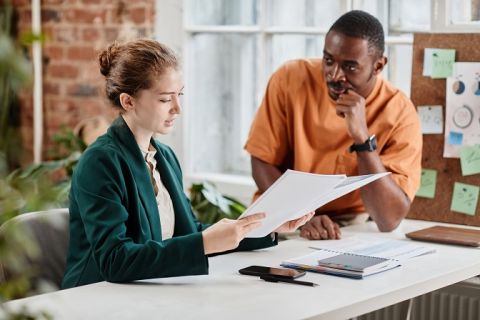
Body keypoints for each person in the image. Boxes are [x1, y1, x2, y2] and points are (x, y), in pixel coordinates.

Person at [62, 39, 313, 288]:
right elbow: (114, 260)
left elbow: (186, 232)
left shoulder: (165, 157)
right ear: (128, 101)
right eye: (165, 99)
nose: (177, 108)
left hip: (150, 292)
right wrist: (203, 242)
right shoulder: (100, 162)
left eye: (179, 95)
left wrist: (263, 228)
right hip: (96, 297)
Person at [244, 10, 422, 240]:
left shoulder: (400, 112)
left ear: (378, 66)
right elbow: (261, 160)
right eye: (328, 60)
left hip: (348, 227)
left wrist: (362, 140)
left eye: (350, 67)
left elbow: (389, 219)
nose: (334, 75)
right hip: (282, 215)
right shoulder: (290, 78)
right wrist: (300, 215)